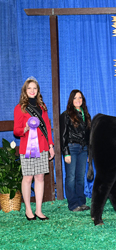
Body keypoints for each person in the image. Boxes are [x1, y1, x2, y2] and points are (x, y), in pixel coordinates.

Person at [13, 76, 54, 221]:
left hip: (42, 146)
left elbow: (47, 127)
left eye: (34, 88)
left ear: (38, 91)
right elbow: (16, 131)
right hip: (27, 148)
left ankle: (38, 210)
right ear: (25, 90)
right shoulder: (19, 108)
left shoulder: (42, 107)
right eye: (29, 88)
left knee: (40, 177)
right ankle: (28, 210)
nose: (32, 91)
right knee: (28, 178)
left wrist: (50, 145)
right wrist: (25, 128)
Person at [60, 90, 91, 212]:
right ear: (71, 100)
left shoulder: (86, 115)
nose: (78, 100)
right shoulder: (66, 115)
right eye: (75, 98)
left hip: (83, 149)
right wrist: (66, 152)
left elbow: (89, 136)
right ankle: (73, 204)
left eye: (80, 98)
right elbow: (63, 135)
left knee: (80, 177)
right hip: (71, 148)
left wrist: (90, 153)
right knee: (71, 177)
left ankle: (81, 202)